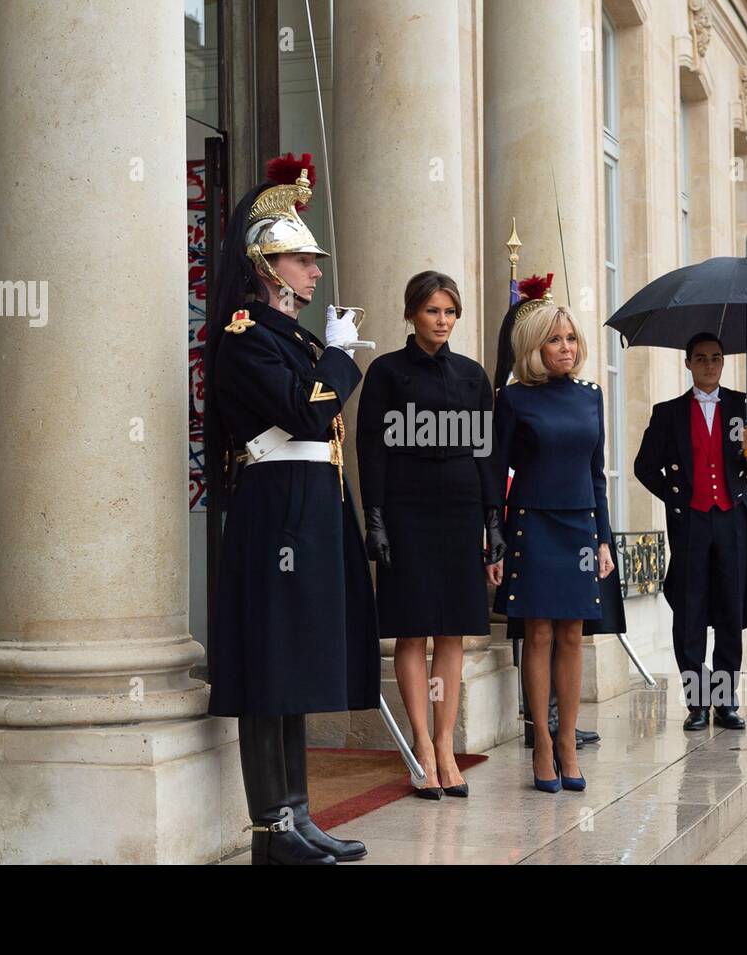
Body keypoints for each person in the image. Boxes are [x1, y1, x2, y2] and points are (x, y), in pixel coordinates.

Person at [204, 152, 380, 864]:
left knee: (296, 669)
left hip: (307, 508)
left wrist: (326, 358)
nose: (314, 271)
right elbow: (309, 416)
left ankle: (299, 814)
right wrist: (340, 361)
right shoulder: (246, 338)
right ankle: (271, 830)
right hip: (275, 508)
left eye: (311, 260)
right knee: (268, 672)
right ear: (268, 265)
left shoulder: (292, 339)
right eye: (302, 260)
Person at [355, 271, 503, 799]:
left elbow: (486, 451)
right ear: (412, 313)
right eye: (432, 311)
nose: (442, 321)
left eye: (449, 312)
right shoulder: (386, 373)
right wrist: (374, 518)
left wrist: (493, 521)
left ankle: (446, 743)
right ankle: (419, 744)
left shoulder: (471, 375)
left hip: (461, 510)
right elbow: (370, 450)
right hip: (407, 510)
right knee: (412, 632)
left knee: (453, 633)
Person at [487, 287, 614, 792]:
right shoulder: (514, 399)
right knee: (537, 635)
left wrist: (603, 539)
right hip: (532, 525)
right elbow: (496, 472)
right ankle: (540, 740)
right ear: (534, 348)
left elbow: (596, 473)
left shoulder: (591, 396)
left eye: (571, 339)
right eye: (555, 340)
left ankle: (566, 743)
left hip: (580, 527)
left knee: (572, 636)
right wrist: (493, 537)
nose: (566, 348)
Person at [633, 332, 747, 732]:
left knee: (729, 609)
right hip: (690, 521)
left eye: (716, 358)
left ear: (723, 362)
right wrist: (676, 500)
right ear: (688, 363)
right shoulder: (668, 413)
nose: (709, 365)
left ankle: (725, 701)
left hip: (731, 520)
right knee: (689, 612)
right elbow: (644, 467)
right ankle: (696, 701)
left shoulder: (742, 407)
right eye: (701, 358)